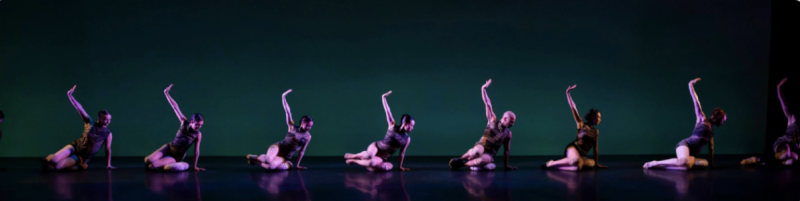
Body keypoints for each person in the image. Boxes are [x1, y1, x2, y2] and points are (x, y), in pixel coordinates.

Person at [643, 78, 727, 170]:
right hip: (686, 145)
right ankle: (654, 163)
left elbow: (711, 149)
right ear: (719, 118)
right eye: (723, 120)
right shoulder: (702, 119)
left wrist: (712, 164)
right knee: (683, 161)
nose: (723, 123)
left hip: (692, 153)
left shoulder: (711, 133)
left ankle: (661, 166)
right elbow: (696, 102)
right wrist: (690, 86)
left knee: (686, 167)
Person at [41, 85, 115, 171]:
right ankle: (47, 161)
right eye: (104, 119)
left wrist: (108, 164)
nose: (107, 122)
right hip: (75, 147)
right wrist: (70, 95)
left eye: (109, 120)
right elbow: (79, 108)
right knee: (53, 159)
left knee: (58, 166)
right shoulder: (90, 123)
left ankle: (82, 165)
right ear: (99, 117)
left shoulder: (107, 133)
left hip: (82, 156)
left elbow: (108, 149)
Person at [449, 79, 518, 171]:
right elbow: (488, 103)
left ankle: (463, 164)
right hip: (481, 146)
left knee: (482, 161)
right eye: (511, 121)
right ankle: (461, 159)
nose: (512, 124)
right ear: (505, 118)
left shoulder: (508, 134)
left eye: (513, 122)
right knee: (477, 152)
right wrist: (483, 89)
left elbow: (506, 151)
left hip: (489, 154)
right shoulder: (492, 120)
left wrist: (506, 166)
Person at [344, 91, 413, 171]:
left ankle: (354, 161)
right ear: (405, 124)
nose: (412, 127)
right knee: (369, 155)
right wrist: (383, 98)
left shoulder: (407, 139)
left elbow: (402, 153)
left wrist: (400, 167)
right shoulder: (392, 125)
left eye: (413, 126)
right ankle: (355, 155)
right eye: (411, 125)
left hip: (383, 156)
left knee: (372, 163)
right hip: (376, 147)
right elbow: (388, 111)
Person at [544, 85, 608, 171]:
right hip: (573, 148)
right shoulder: (581, 124)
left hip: (582, 155)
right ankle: (552, 163)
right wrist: (568, 93)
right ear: (592, 117)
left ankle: (554, 166)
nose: (600, 119)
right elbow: (573, 107)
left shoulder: (596, 131)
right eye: (598, 117)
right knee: (575, 160)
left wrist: (596, 163)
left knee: (580, 166)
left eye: (600, 117)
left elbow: (595, 149)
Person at [246, 89, 313, 170]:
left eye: (310, 126)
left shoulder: (308, 136)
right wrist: (283, 97)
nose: (309, 128)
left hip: (284, 156)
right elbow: (288, 112)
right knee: (267, 160)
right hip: (278, 147)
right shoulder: (292, 127)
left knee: (271, 167)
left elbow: (302, 151)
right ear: (302, 123)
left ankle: (255, 161)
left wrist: (297, 165)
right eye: (307, 125)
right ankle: (258, 158)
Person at [144, 84, 205, 171]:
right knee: (147, 160)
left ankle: (176, 163)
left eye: (201, 125)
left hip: (176, 156)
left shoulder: (197, 134)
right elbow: (175, 107)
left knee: (152, 166)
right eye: (197, 125)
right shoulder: (184, 122)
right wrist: (166, 93)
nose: (199, 127)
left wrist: (195, 166)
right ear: (191, 122)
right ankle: (163, 160)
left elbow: (196, 152)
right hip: (169, 147)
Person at [741, 78, 797, 166]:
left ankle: (758, 160)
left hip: (791, 150)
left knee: (792, 161)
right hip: (782, 144)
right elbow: (784, 105)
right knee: (786, 154)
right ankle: (759, 159)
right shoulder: (792, 117)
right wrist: (779, 88)